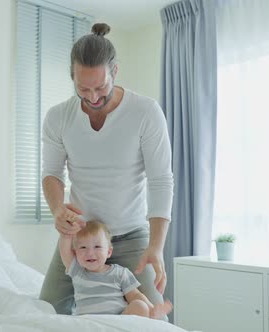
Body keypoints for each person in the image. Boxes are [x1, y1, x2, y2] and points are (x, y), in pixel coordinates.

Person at [39, 22, 174, 318]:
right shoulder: (58, 117)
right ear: (72, 78)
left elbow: (161, 179)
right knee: (45, 313)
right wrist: (58, 210)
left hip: (131, 236)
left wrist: (156, 245)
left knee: (155, 320)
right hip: (81, 239)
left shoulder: (146, 112)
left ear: (114, 71)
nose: (93, 97)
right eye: (83, 88)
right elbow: (51, 173)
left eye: (100, 87)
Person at [59, 220, 172, 317]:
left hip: (117, 321)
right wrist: (66, 235)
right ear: (75, 253)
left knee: (140, 306)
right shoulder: (78, 272)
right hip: (89, 323)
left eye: (97, 247)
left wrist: (152, 309)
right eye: (83, 247)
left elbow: (135, 295)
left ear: (109, 252)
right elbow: (64, 252)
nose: (90, 253)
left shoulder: (120, 273)